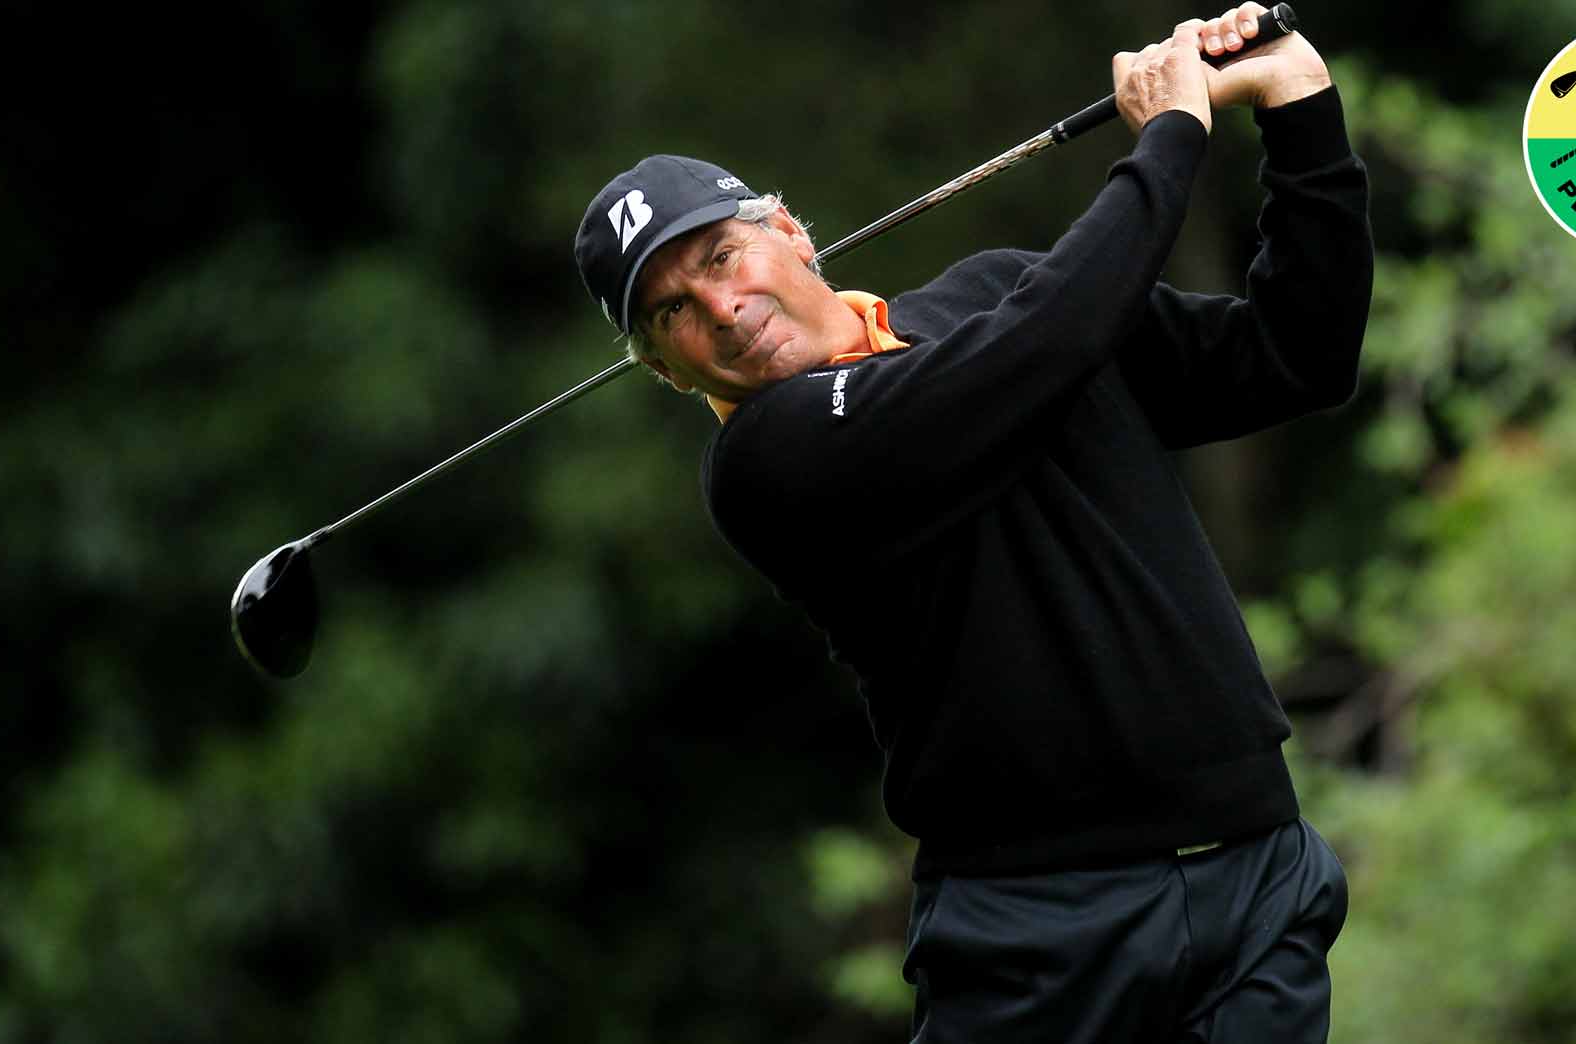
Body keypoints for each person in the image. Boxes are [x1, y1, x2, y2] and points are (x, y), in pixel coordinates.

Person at [572, 5, 1370, 1040]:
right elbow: (1022, 362)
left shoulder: (992, 297)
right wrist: (1169, 136)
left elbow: (1296, 354)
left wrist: (1297, 106)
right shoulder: (766, 466)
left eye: (720, 257)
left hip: (1255, 876)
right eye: (670, 311)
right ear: (664, 370)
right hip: (1038, 930)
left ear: (789, 233)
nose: (718, 309)